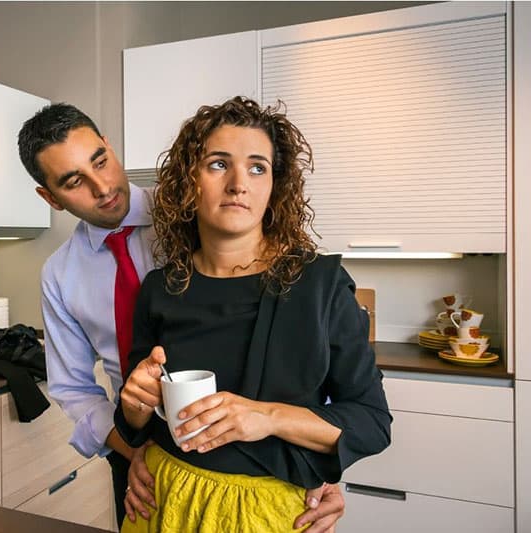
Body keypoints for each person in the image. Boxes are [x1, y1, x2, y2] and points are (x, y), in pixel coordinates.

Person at [17, 103, 347, 532]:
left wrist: (319, 461)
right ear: (50, 198)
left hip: (268, 462)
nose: (102, 187)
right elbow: (75, 390)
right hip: (142, 453)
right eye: (74, 181)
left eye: (101, 161)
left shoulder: (201, 209)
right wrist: (132, 451)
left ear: (109, 147)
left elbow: (299, 343)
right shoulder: (60, 275)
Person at [115, 96, 392, 532]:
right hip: (163, 502)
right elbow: (139, 422)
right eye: (218, 164)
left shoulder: (321, 284)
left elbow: (371, 422)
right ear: (190, 182)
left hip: (271, 512)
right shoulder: (159, 289)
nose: (239, 183)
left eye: (257, 167)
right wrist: (133, 404)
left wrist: (267, 416)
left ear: (274, 187)